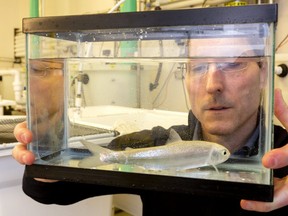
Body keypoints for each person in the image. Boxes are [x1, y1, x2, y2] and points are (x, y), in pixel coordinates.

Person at [13, 37, 288, 215]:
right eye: (198, 67)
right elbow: (53, 189)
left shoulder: (283, 159)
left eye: (233, 64)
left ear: (264, 74)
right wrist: (46, 148)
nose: (212, 84)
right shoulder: (157, 144)